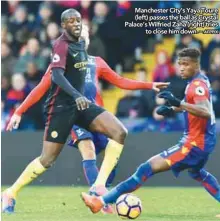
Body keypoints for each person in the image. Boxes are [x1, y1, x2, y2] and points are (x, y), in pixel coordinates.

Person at [2, 9, 169, 214]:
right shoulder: (61, 53)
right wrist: (19, 111)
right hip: (62, 111)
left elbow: (121, 81)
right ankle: (10, 192)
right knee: (47, 160)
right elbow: (43, 86)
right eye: (72, 23)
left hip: (85, 107)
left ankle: (99, 186)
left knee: (119, 132)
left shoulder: (94, 60)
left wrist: (149, 85)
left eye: (81, 24)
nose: (80, 29)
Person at [81, 48, 220, 218]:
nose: (182, 68)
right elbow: (194, 106)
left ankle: (100, 202)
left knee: (145, 169)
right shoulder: (200, 80)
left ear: (196, 64)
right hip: (203, 142)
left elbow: (204, 110)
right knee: (196, 173)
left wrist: (178, 102)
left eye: (186, 64)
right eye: (180, 64)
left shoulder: (197, 85)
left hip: (193, 144)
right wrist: (171, 108)